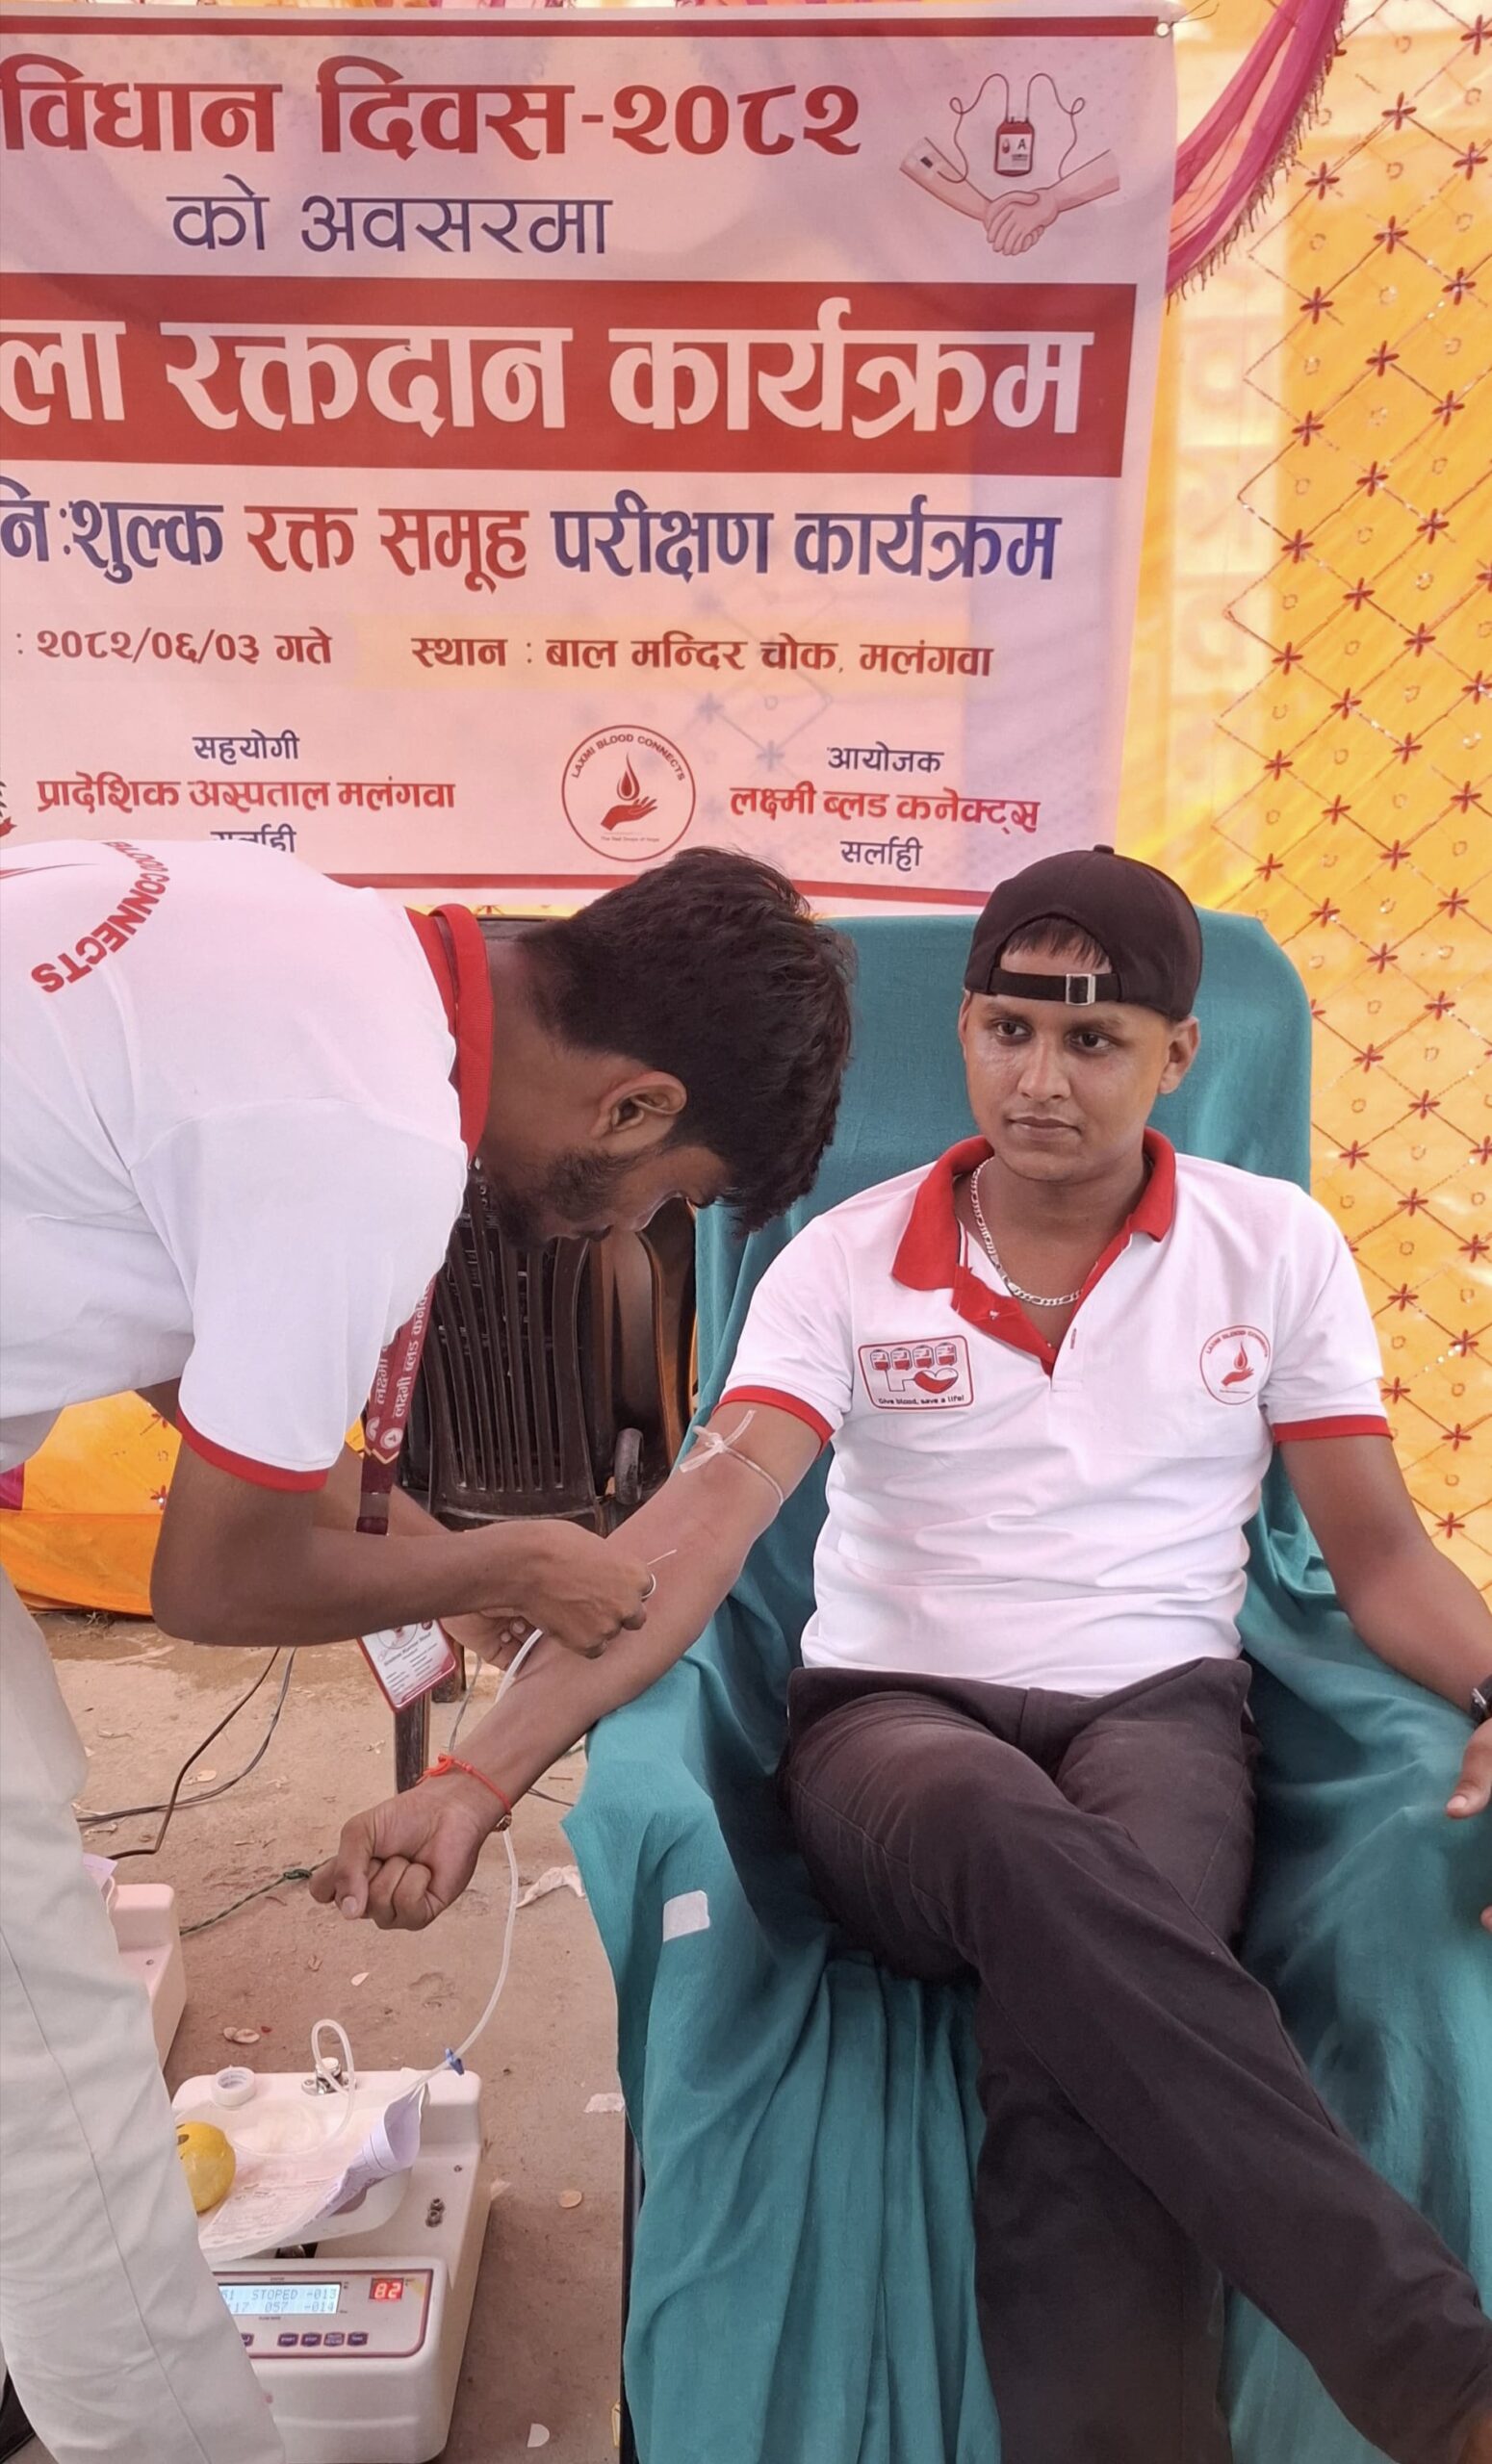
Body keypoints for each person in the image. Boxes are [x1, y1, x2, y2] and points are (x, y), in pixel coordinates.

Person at [319, 847, 1492, 2464]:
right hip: (892, 1733)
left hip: (1162, 1715)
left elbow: (1378, 1558)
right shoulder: (844, 1256)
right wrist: (475, 1776)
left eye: (1091, 1042)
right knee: (1027, 1846)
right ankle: (1440, 2382)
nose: (1039, 1080)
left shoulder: (1273, 1248)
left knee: (1084, 2037)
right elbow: (694, 1533)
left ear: (1176, 1056)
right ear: (961, 1033)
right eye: (1007, 1031)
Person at [0, 834, 853, 2464]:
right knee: (52, 2094)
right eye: (662, 1201)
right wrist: (509, 1559)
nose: (616, 1237)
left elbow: (212, 1366)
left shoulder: (319, 947)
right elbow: (216, 1581)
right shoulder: (374, 1143)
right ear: (632, 1105)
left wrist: (428, 1579)